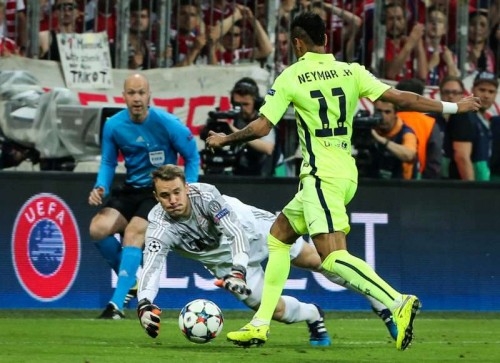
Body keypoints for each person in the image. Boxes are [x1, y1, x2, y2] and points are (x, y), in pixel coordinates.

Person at [205, 11, 481, 350]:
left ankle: (397, 301)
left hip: (321, 177)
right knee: (279, 236)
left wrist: (225, 139)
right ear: (326, 39)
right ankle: (260, 324)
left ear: (297, 43)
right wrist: (454, 106)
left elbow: (263, 127)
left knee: (333, 257)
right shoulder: (350, 71)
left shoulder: (291, 76)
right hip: (344, 172)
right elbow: (402, 98)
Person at [136, 164, 397, 344]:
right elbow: (152, 265)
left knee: (322, 261)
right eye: (165, 195)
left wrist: (237, 271)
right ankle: (313, 315)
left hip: (254, 231)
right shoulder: (159, 226)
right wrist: (144, 303)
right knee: (276, 311)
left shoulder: (206, 195)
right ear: (156, 197)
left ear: (186, 186)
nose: (172, 200)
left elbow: (234, 233)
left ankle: (381, 303)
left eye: (177, 192)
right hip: (227, 265)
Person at [88, 73, 200, 319]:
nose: (137, 98)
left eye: (141, 93)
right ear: (124, 96)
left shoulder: (167, 123)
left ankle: (116, 306)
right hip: (130, 189)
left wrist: (189, 187)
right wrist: (100, 186)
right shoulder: (114, 125)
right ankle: (133, 282)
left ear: (149, 95)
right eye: (131, 93)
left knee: (133, 234)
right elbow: (108, 161)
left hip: (157, 192)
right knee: (98, 228)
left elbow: (192, 155)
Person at [442, 71, 498, 181]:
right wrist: (472, 189)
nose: (486, 95)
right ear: (472, 90)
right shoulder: (464, 116)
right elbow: (462, 157)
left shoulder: (482, 120)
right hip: (459, 187)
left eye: (491, 92)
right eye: (482, 90)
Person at [395, 78, 443, 179]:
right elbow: (434, 161)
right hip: (417, 181)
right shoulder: (430, 123)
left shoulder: (389, 119)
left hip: (387, 179)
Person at [370, 99, 419, 180]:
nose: (383, 116)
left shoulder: (406, 133)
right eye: (379, 111)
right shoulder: (369, 129)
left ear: (395, 114)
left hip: (400, 185)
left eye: (387, 112)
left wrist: (382, 140)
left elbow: (409, 155)